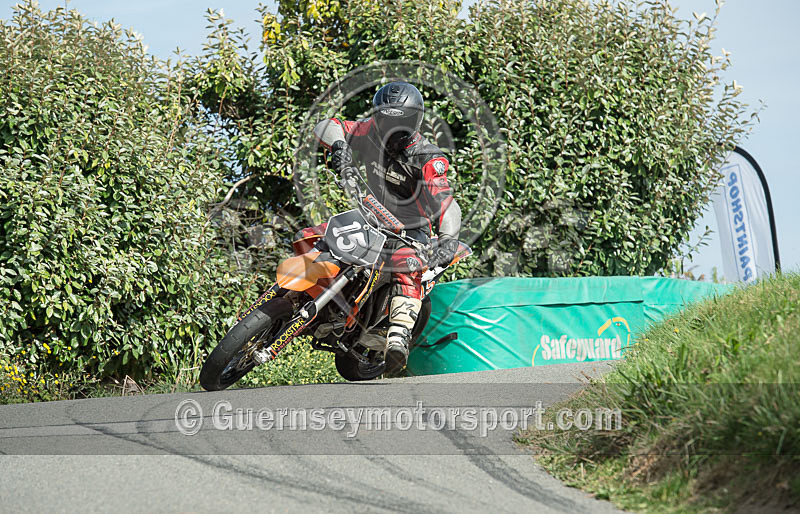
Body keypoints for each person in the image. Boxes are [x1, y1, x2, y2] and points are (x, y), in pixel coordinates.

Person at [305, 81, 462, 373]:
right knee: (315, 234)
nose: (389, 128)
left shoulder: (428, 158)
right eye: (384, 119)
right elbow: (327, 125)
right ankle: (293, 293)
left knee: (409, 265)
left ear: (413, 122)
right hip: (369, 216)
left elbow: (447, 202)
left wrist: (449, 238)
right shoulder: (369, 132)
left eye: (397, 122)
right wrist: (339, 146)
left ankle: (398, 338)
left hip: (409, 231)